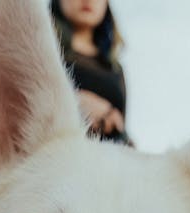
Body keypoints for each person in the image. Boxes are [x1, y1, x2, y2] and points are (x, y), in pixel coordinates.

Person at [50, 0, 130, 144]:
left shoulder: (115, 69)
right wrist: (76, 101)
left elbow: (123, 127)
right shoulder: (43, 54)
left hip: (108, 160)